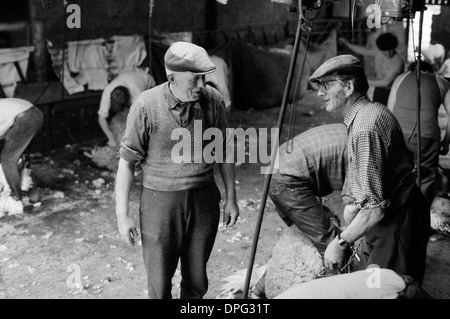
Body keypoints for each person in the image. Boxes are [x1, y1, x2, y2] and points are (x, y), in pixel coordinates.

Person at [115, 41, 239, 299]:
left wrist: (231, 199)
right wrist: (122, 215)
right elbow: (126, 163)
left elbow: (224, 150)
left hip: (204, 199)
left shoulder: (213, 101)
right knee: (159, 281)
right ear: (172, 77)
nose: (202, 85)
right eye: (195, 79)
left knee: (196, 279)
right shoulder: (146, 106)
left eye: (204, 78)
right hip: (159, 203)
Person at [309, 54, 430, 285]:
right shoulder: (368, 113)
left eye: (326, 85)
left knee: (389, 289)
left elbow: (375, 210)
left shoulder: (366, 127)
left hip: (397, 219)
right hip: (395, 213)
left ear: (349, 86)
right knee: (377, 284)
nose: (320, 93)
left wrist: (339, 242)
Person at [252, 123, 349, 299]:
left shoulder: (355, 130)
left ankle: (258, 291)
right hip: (288, 179)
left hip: (280, 168)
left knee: (304, 234)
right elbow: (355, 207)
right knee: (333, 245)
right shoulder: (368, 149)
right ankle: (335, 290)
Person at [387, 60, 450, 205]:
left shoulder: (401, 78)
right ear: (431, 71)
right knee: (425, 176)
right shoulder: (442, 82)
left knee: (398, 174)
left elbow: (389, 112)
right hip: (428, 135)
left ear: (410, 70)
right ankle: (419, 216)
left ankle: (398, 213)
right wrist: (446, 142)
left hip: (400, 133)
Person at [339, 32, 404, 104]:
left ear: (394, 47)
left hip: (391, 91)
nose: (388, 54)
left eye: (390, 50)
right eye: (384, 51)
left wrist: (362, 79)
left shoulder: (398, 61)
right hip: (378, 89)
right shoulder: (379, 53)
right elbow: (364, 50)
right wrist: (348, 44)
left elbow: (385, 83)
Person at [0, 98, 43, 206]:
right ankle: (33, 195)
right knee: (21, 156)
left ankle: (16, 198)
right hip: (35, 113)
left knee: (8, 159)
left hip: (24, 118)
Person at [98, 68, 155, 148]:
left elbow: (143, 118)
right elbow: (101, 118)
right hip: (128, 76)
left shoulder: (137, 94)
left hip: (147, 80)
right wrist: (111, 138)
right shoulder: (107, 90)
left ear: (128, 100)